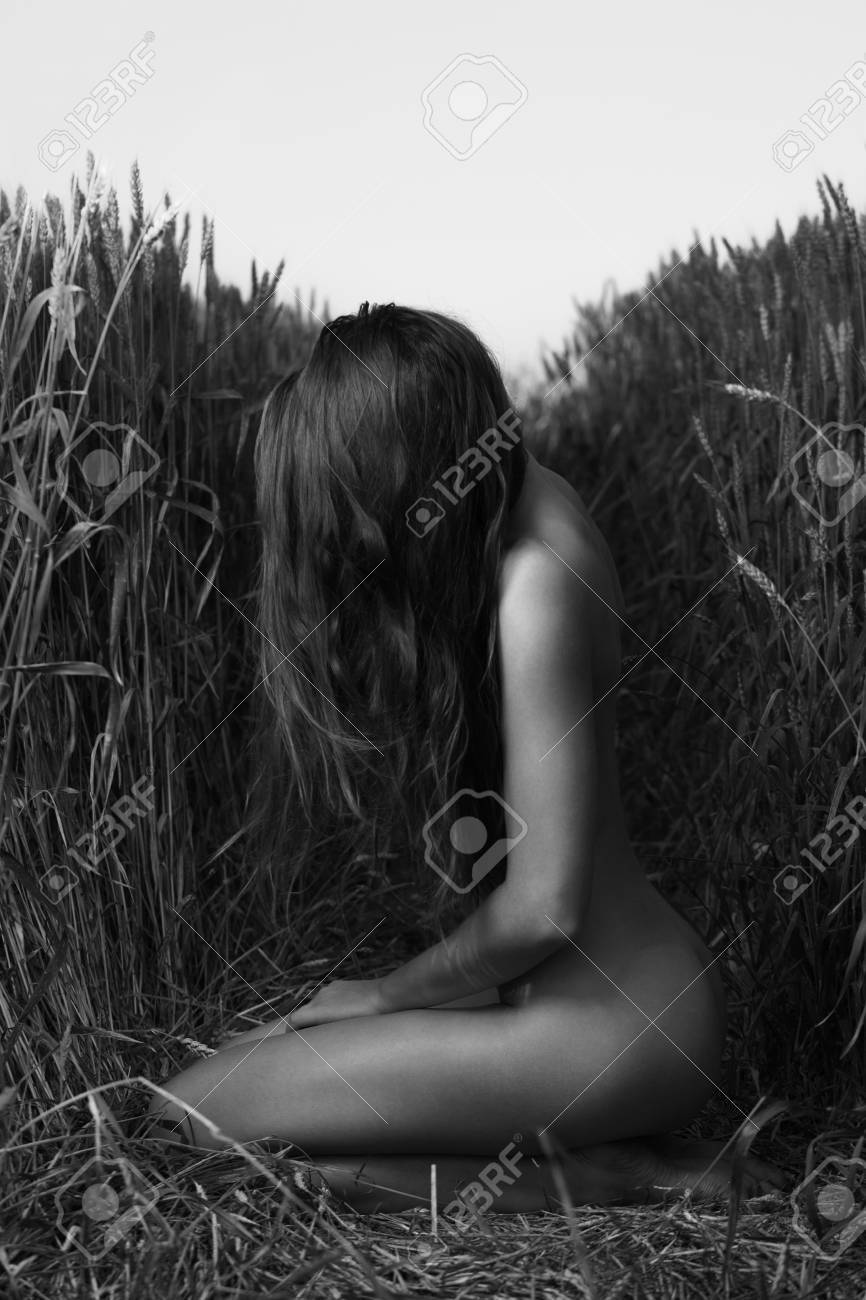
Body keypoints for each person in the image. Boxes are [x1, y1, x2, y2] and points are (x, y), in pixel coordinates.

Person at [145, 303, 783, 1214]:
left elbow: (543, 911)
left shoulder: (537, 585)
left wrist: (384, 997)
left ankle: (603, 1177)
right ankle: (593, 1162)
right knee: (235, 1094)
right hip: (595, 1003)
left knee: (181, 1119)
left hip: (613, 1028)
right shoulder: (531, 497)